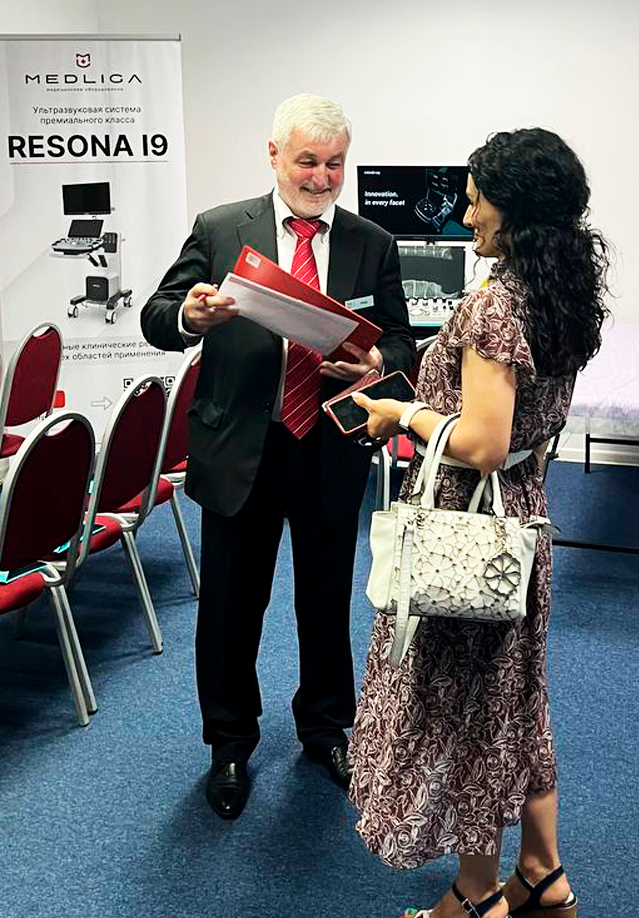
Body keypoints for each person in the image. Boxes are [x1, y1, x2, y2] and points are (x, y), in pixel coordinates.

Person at [348, 128, 610, 918]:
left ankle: (474, 894)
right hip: (521, 518)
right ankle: (541, 873)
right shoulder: (560, 290)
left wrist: (402, 413)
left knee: (466, 708)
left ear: (515, 209)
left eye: (476, 202)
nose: (466, 217)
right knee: (514, 697)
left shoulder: (495, 306)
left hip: (467, 524)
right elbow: (522, 430)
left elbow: (483, 443)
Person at [140, 93, 414, 820]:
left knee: (325, 599)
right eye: (307, 162)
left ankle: (325, 730)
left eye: (335, 164)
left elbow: (402, 341)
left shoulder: (371, 242)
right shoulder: (221, 228)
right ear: (274, 155)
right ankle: (229, 743)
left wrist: (376, 360)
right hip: (241, 448)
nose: (321, 177)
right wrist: (190, 314)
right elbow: (158, 316)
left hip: (329, 444)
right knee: (232, 606)